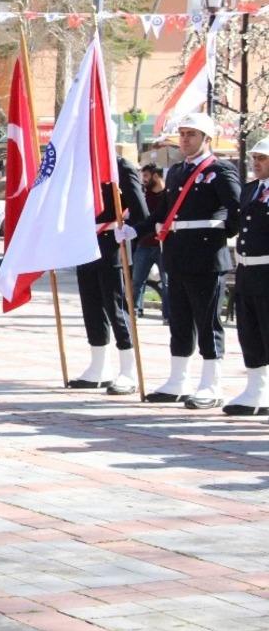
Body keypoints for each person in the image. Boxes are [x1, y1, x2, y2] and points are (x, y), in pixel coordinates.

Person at [115, 113, 241, 409]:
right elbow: (164, 213)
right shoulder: (176, 172)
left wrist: (217, 230)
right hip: (177, 255)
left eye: (192, 134)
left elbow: (235, 209)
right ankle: (178, 379)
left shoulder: (220, 170)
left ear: (206, 139)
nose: (185, 139)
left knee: (207, 320)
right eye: (183, 134)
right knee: (180, 320)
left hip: (206, 256)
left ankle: (211, 383)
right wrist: (138, 229)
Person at [67, 156, 148, 395]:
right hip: (86, 244)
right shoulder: (80, 165)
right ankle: (99, 365)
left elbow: (141, 211)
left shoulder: (120, 166)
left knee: (117, 307)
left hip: (112, 245)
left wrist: (127, 229)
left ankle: (127, 369)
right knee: (91, 306)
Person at [223, 138, 269, 416]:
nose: (256, 162)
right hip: (247, 270)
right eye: (254, 157)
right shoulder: (250, 190)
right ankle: (256, 389)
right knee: (249, 331)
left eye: (262, 158)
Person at [131, 163, 169, 322]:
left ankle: (168, 315)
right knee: (137, 280)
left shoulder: (169, 195)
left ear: (155, 176)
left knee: (167, 281)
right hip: (144, 244)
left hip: (163, 245)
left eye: (146, 176)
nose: (143, 180)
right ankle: (135, 310)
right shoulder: (143, 195)